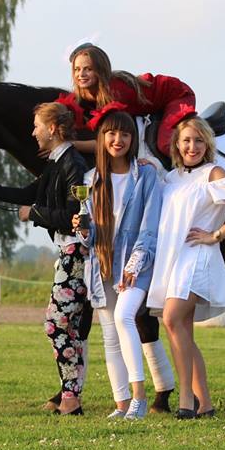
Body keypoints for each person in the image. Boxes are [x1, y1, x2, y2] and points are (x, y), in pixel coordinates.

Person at [0, 102, 89, 415]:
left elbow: (74, 216)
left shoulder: (72, 164)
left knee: (56, 325)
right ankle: (70, 395)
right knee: (65, 326)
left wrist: (34, 214)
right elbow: (28, 193)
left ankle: (71, 397)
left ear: (52, 128)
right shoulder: (57, 162)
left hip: (76, 252)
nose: (33, 132)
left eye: (37, 126)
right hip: (68, 253)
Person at [147, 111, 225, 419]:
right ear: (176, 145)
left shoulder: (213, 173)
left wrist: (216, 235)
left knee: (172, 318)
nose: (191, 147)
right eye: (186, 141)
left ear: (207, 144)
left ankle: (186, 400)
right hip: (173, 258)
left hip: (197, 255)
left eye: (198, 141)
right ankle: (204, 403)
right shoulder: (172, 178)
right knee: (179, 328)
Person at [76, 104, 165, 420]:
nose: (118, 140)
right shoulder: (91, 179)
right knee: (110, 337)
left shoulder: (146, 175)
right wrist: (83, 230)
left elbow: (150, 227)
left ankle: (140, 397)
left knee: (125, 317)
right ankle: (121, 403)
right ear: (102, 138)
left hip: (137, 264)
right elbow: (90, 238)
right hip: (102, 265)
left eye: (125, 134)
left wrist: (134, 264)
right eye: (111, 133)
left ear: (133, 139)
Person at [59, 43, 196, 158]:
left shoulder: (115, 93)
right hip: (157, 98)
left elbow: (107, 142)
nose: (81, 74)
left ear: (100, 71)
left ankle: (191, 171)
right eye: (77, 69)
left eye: (88, 69)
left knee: (164, 144)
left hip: (177, 95)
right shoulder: (85, 91)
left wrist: (71, 145)